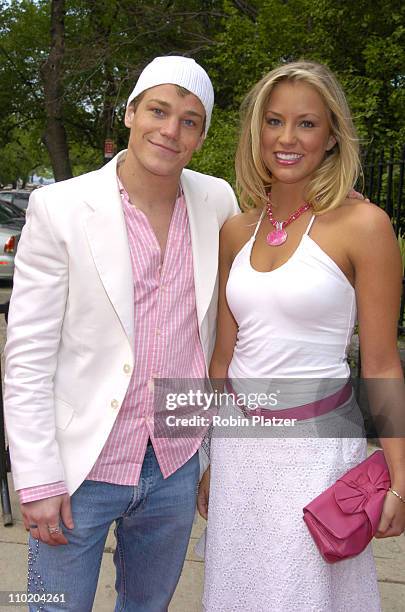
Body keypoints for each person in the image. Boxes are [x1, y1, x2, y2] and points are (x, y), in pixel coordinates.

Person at [4, 55, 239, 611]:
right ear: (131, 114)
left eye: (189, 120)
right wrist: (37, 478)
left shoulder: (217, 201)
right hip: (80, 465)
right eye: (158, 110)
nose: (170, 129)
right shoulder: (60, 207)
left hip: (176, 463)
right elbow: (28, 355)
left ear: (201, 138)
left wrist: (330, 202)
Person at [197, 61, 405, 611]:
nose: (287, 138)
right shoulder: (235, 230)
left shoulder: (364, 226)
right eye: (274, 121)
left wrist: (401, 478)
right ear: (256, 131)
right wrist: (213, 460)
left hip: (318, 454)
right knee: (237, 591)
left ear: (332, 133)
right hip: (242, 455)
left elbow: (381, 363)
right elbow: (224, 358)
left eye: (307, 124)